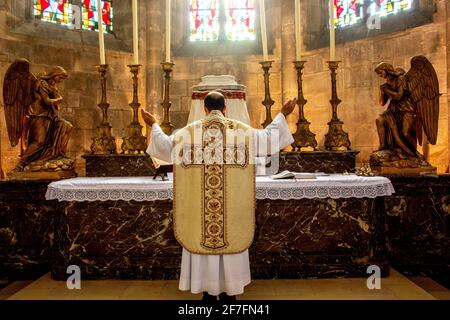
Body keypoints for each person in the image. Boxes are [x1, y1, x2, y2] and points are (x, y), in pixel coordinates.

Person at [142, 92, 296, 301]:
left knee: (201, 238)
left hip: (201, 215)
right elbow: (268, 139)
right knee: (231, 238)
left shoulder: (189, 133)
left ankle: (207, 294)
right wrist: (283, 114)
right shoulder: (241, 131)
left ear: (204, 109)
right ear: (225, 108)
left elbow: (165, 147)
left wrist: (153, 124)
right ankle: (229, 296)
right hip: (231, 214)